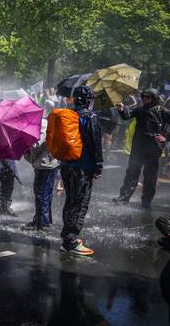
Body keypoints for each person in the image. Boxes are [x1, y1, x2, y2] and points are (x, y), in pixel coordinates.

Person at [113, 88, 170, 208]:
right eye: (143, 96)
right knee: (132, 172)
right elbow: (126, 116)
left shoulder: (162, 111)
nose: (144, 99)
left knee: (150, 176)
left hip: (153, 148)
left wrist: (166, 137)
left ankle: (146, 201)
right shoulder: (139, 110)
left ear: (154, 98)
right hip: (138, 147)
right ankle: (124, 197)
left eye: (147, 97)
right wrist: (121, 109)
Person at [59, 86, 102, 256]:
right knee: (80, 203)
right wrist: (98, 166)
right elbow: (95, 143)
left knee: (70, 200)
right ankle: (71, 240)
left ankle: (66, 236)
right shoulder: (89, 116)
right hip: (82, 167)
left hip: (65, 165)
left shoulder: (68, 114)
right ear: (89, 100)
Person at [24, 117, 59, 230]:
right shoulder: (45, 123)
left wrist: (25, 143)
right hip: (51, 163)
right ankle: (45, 219)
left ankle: (41, 223)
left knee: (41, 194)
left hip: (44, 165)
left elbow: (36, 145)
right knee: (47, 193)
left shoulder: (41, 126)